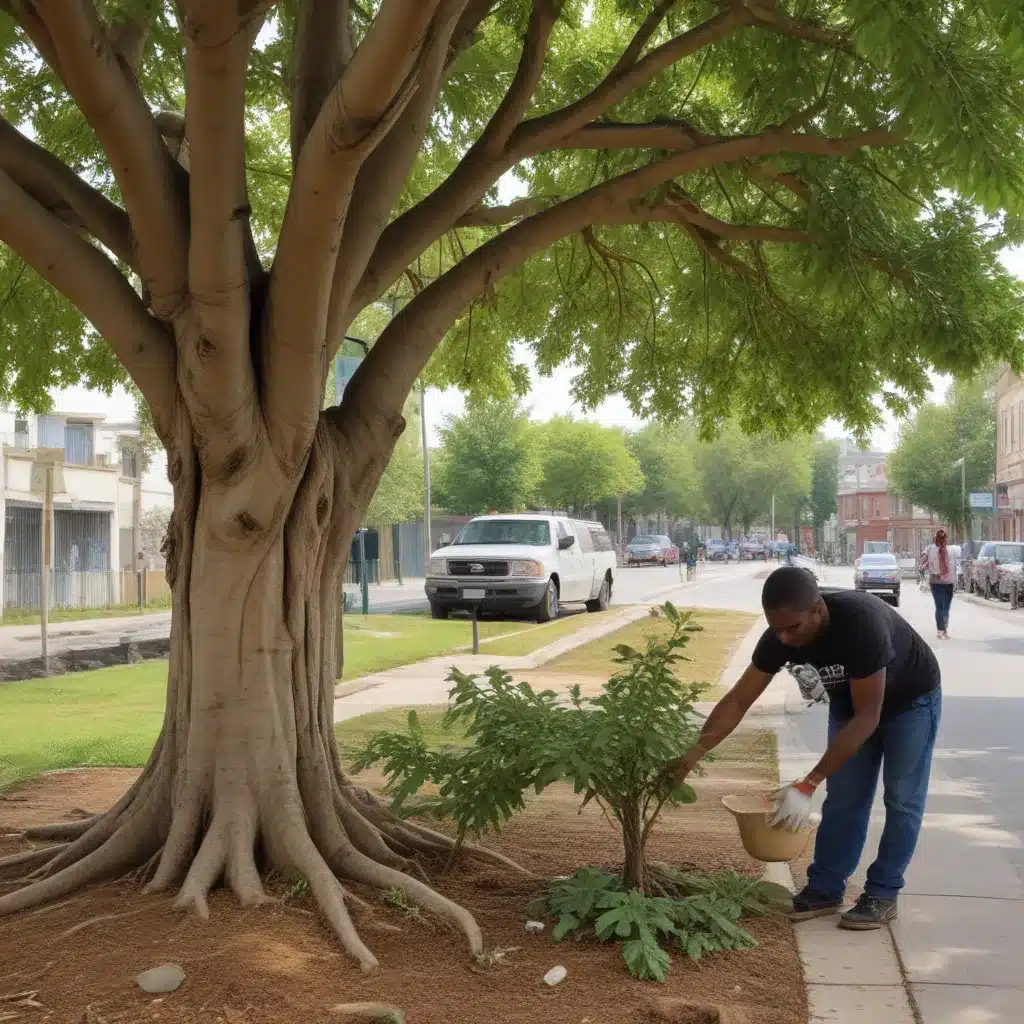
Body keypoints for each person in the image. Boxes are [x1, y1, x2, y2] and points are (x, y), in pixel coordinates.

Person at [663, 567, 941, 931]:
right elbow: (737, 701)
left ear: (818, 610)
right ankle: (825, 889)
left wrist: (808, 783)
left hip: (910, 701)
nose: (784, 638)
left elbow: (869, 716)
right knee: (844, 797)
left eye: (792, 628)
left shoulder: (861, 621)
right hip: (849, 703)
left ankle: (882, 894)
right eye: (776, 628)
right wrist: (688, 758)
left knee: (902, 800)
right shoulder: (779, 636)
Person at [923, 530, 955, 638]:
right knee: (945, 607)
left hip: (938, 581)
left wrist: (924, 566)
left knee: (940, 607)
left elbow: (923, 562)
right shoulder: (950, 550)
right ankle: (943, 629)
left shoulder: (930, 548)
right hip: (946, 582)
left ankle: (941, 630)